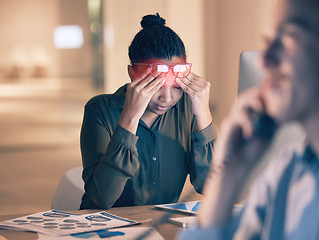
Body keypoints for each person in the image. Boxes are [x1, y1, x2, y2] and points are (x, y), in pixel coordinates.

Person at [179, 0, 319, 239]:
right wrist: (227, 177)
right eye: (266, 43)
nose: (264, 61)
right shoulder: (285, 172)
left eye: (288, 37)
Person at [80, 13, 217, 210]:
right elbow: (103, 198)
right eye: (156, 85)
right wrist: (130, 116)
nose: (167, 98)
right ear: (132, 74)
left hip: (159, 230)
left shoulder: (189, 109)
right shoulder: (99, 110)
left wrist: (204, 115)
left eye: (177, 86)